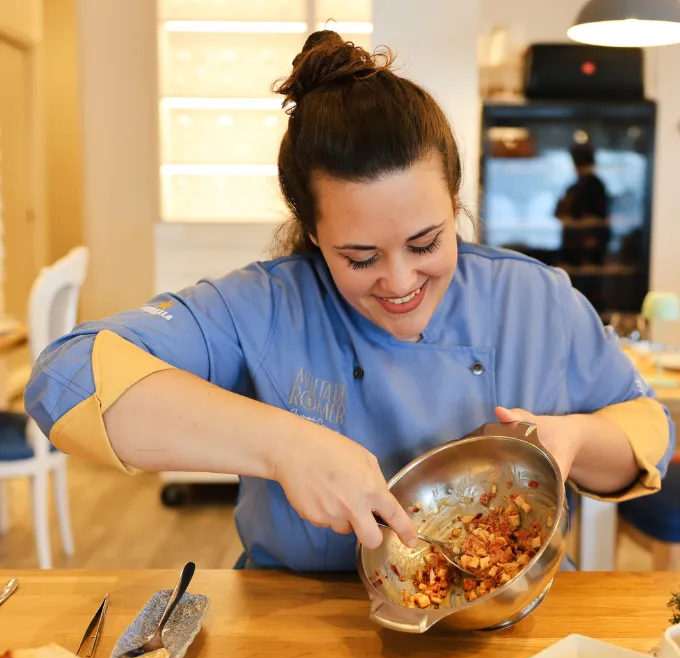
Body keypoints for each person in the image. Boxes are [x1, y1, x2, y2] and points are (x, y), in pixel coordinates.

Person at [25, 32, 674, 571]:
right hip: (296, 634)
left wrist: (572, 439)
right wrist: (282, 443)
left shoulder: (532, 299)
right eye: (359, 257)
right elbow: (64, 379)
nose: (398, 281)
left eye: (426, 242)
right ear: (313, 233)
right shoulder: (265, 305)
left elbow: (649, 432)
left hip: (509, 633)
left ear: (456, 203)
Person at [555, 143, 611, 267]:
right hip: (575, 244)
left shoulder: (595, 185)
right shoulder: (574, 186)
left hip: (587, 245)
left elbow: (598, 215)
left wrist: (592, 237)